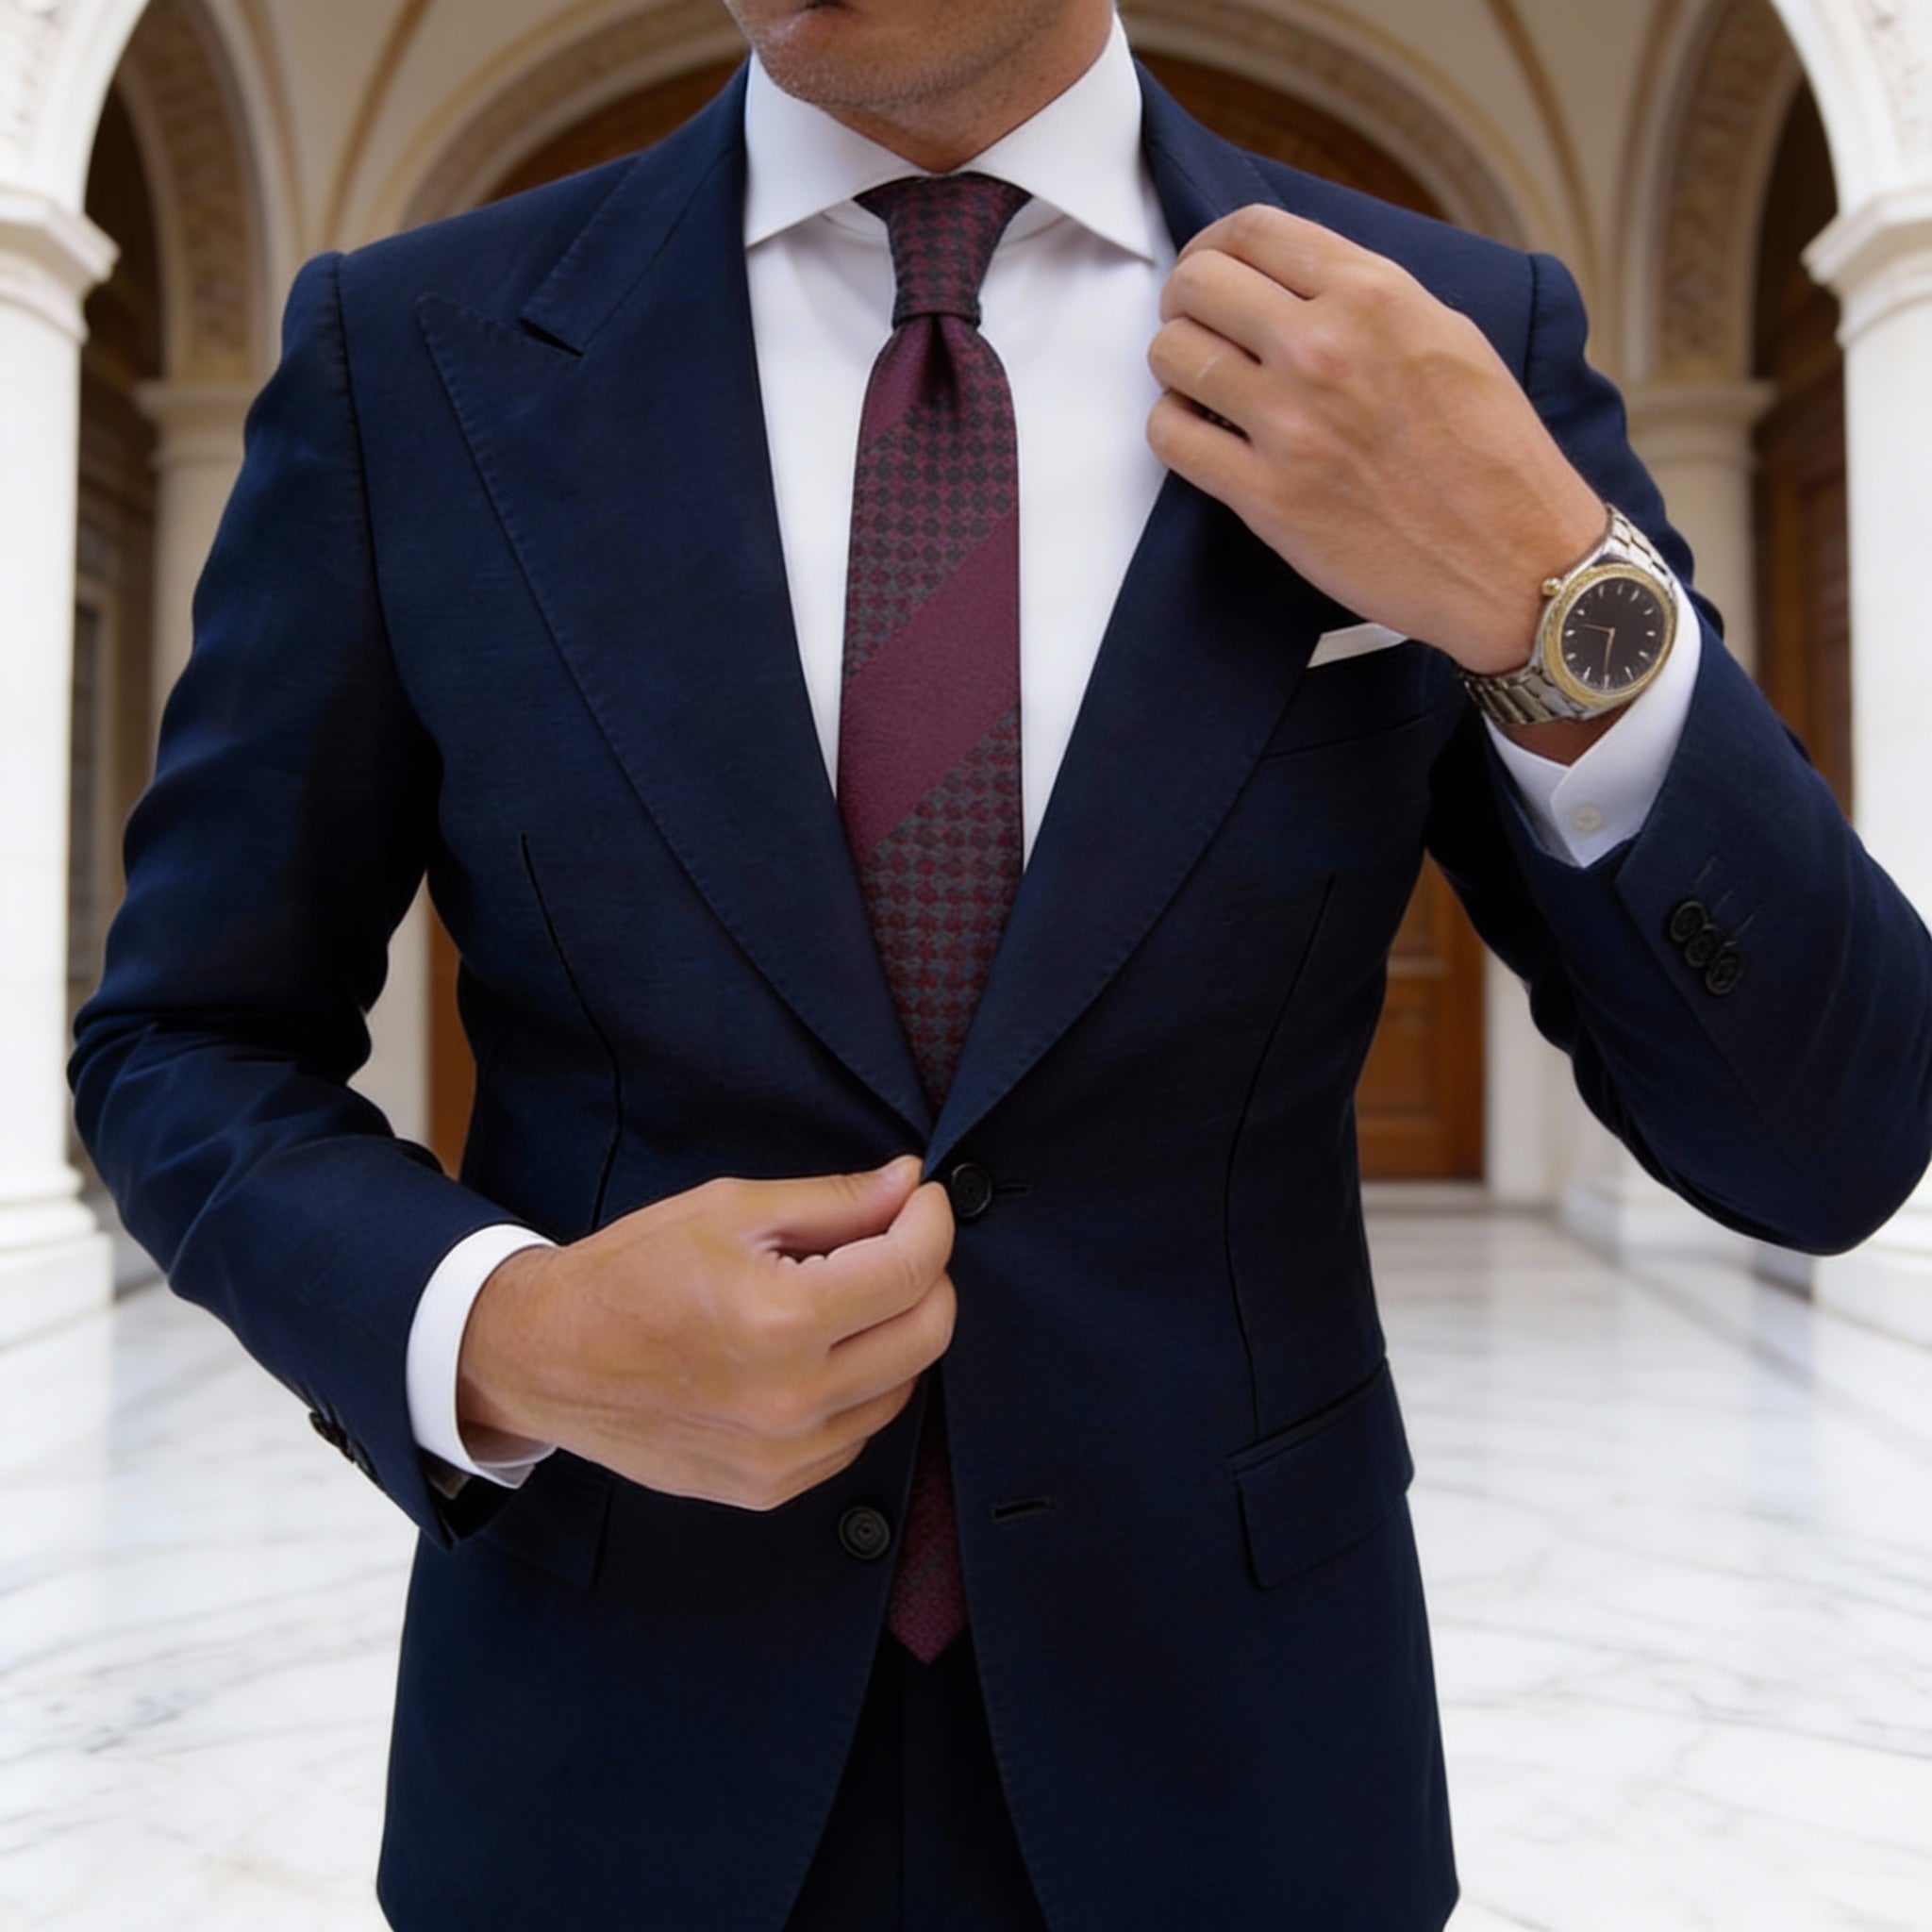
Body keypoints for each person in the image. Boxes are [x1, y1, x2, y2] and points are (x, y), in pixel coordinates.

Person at [70, 1, 1932, 1927]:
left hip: (1240, 1781)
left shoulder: (1442, 340)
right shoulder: (413, 357)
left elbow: (1824, 1135)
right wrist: (504, 1333)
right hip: (603, 1767)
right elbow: (182, 1040)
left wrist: (1551, 586)